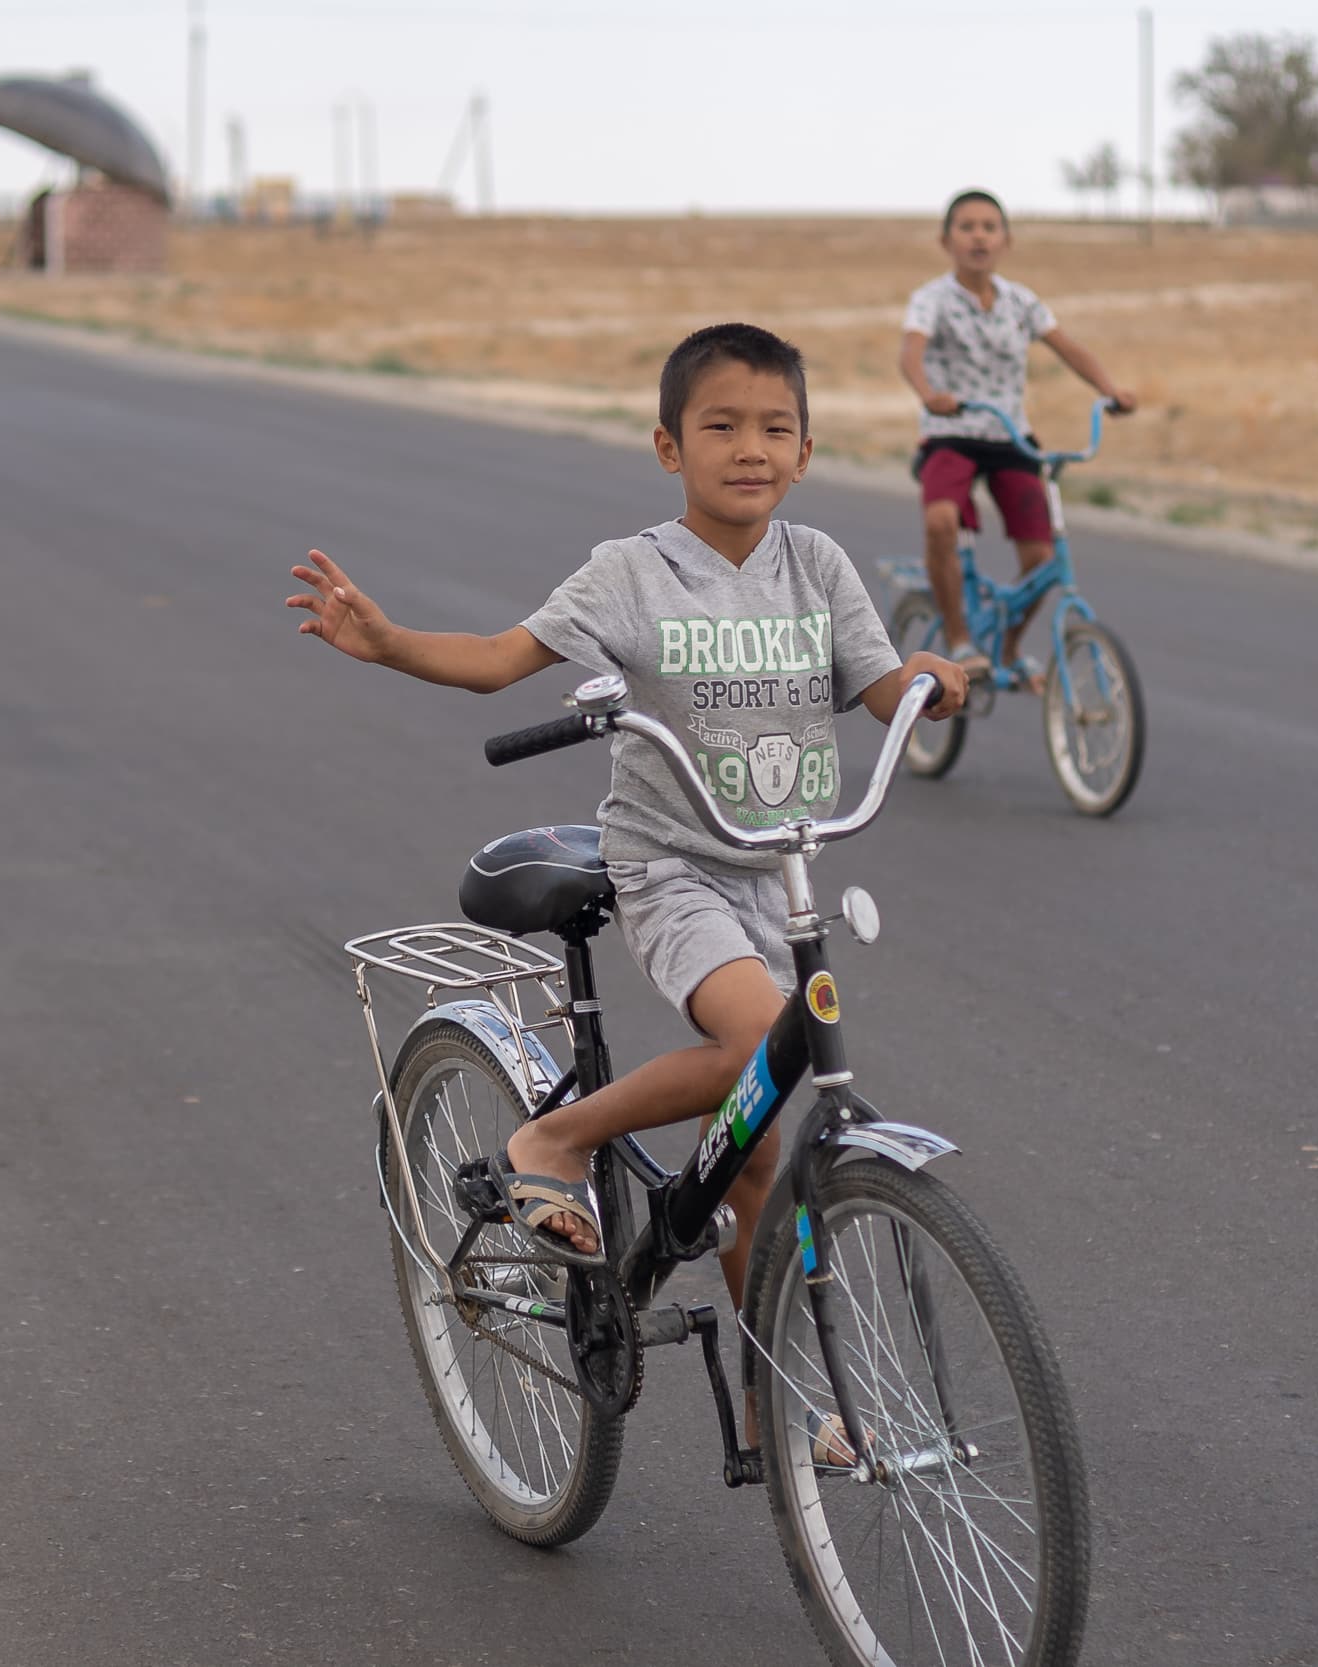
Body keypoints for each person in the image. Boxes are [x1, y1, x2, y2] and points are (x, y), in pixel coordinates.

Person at [287, 322, 969, 1343]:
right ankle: (553, 1139)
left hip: (778, 871)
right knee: (757, 1050)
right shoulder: (632, 573)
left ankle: (765, 1386)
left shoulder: (818, 567)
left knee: (751, 1151)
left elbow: (881, 687)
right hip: (672, 865)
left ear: (806, 453)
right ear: (668, 447)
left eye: (775, 428)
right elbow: (494, 657)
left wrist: (929, 677)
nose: (750, 447)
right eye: (722, 425)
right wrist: (386, 644)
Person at [898, 189, 1137, 682]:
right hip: (952, 433)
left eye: (989, 227)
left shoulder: (1021, 301)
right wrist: (928, 393)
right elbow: (910, 354)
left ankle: (1005, 646)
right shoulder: (932, 300)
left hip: (1011, 439)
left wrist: (1111, 391)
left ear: (1006, 240)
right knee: (942, 522)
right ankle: (961, 641)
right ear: (947, 240)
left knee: (1041, 556)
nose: (978, 236)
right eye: (967, 227)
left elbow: (1068, 348)